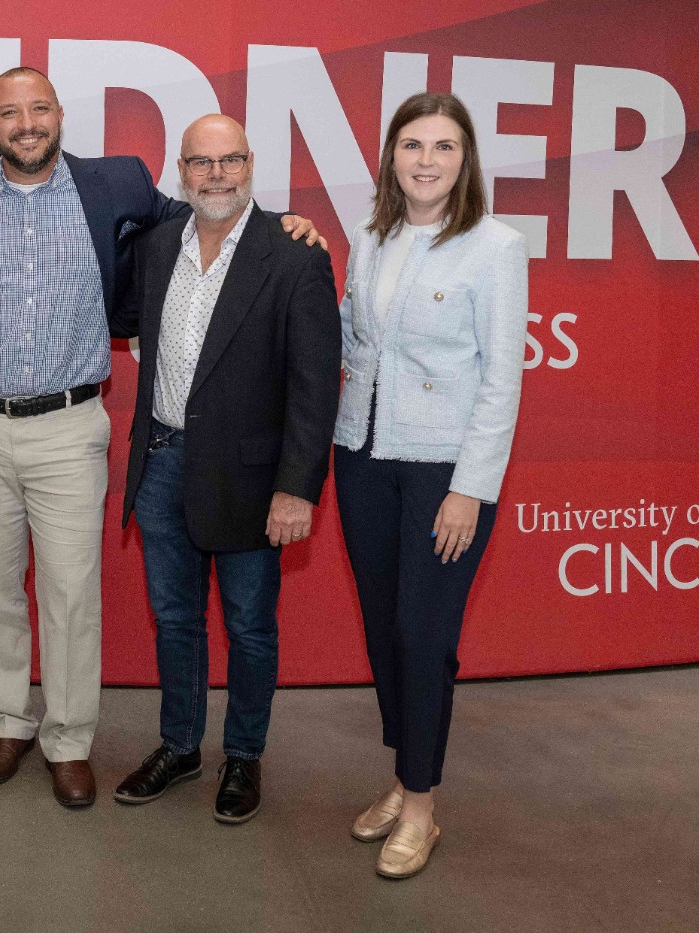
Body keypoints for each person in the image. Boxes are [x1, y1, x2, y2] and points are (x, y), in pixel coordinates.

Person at [0, 67, 320, 806]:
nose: (26, 123)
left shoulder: (115, 183)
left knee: (69, 593)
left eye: (38, 109)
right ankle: (4, 720)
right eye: (8, 113)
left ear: (59, 115)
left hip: (67, 425)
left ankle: (67, 738)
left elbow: (211, 210)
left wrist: (286, 224)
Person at [109, 115, 339, 823]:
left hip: (250, 477)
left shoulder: (294, 253)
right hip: (161, 465)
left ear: (250, 162)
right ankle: (179, 746)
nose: (217, 175)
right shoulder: (152, 248)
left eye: (230, 160)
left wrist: (297, 487)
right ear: (182, 171)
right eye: (202, 163)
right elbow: (121, 320)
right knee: (175, 619)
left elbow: (314, 384)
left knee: (249, 626)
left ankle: (243, 756)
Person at [333, 92, 528, 876]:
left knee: (424, 636)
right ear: (391, 157)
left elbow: (502, 380)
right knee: (385, 632)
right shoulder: (369, 235)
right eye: (412, 144)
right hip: (363, 458)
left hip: (445, 471)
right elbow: (352, 333)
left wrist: (469, 488)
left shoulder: (495, 246)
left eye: (443, 146)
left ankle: (421, 807)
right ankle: (401, 775)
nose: (426, 160)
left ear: (466, 159)